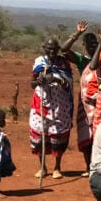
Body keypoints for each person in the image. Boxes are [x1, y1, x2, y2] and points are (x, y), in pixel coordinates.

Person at [30, 37, 75, 178]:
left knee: (58, 136)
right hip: (42, 104)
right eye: (49, 48)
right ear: (44, 48)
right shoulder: (39, 62)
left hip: (59, 105)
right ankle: (42, 167)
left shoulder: (64, 63)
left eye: (55, 49)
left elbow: (68, 84)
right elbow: (32, 83)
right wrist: (38, 81)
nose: (52, 51)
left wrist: (56, 79)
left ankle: (57, 167)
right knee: (40, 135)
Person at [59, 21, 99, 175]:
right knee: (86, 133)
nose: (92, 46)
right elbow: (64, 49)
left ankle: (98, 166)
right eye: (88, 44)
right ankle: (89, 167)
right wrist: (77, 33)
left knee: (100, 134)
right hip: (85, 101)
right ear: (83, 46)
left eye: (95, 44)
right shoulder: (82, 60)